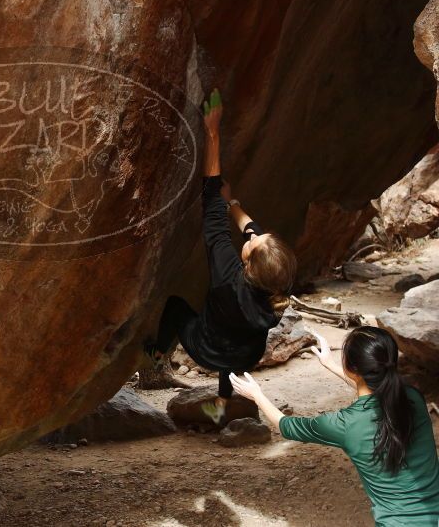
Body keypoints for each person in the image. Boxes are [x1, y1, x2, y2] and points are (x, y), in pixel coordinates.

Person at [144, 89, 297, 423]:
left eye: (255, 242)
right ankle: (223, 404)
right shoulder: (279, 284)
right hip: (245, 353)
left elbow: (210, 202)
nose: (255, 234)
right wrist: (235, 205)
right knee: (234, 348)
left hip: (206, 347)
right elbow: (252, 231)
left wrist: (212, 132)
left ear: (247, 262)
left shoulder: (228, 274)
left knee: (174, 306)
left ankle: (158, 353)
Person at [230, 326, 439, 526]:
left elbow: (285, 424)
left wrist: (257, 395)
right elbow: (377, 386)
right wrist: (330, 364)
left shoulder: (344, 425)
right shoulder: (413, 399)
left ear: (352, 368)